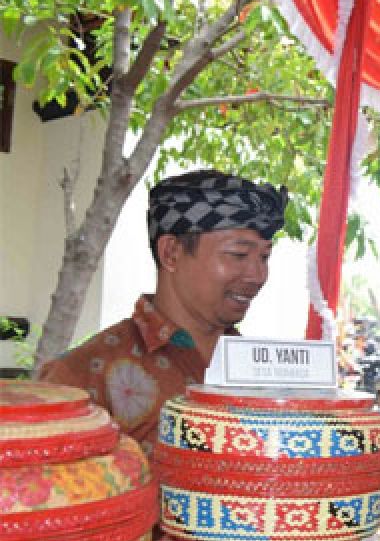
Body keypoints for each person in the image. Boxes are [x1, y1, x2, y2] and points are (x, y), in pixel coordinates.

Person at [39, 170, 286, 452]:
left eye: (264, 257)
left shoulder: (262, 372)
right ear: (171, 253)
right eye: (239, 255)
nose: (257, 275)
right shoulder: (78, 379)